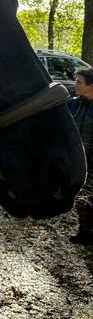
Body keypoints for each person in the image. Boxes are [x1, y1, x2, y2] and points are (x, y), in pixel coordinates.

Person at [69, 66, 93, 244]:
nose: (75, 84)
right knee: (82, 198)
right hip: (80, 161)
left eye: (79, 82)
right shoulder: (74, 103)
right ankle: (84, 232)